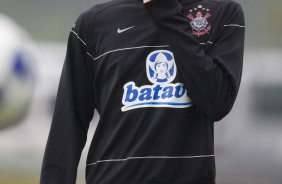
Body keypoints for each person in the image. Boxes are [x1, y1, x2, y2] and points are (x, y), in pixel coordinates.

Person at [40, 0, 245, 183]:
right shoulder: (93, 23)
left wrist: (163, 8)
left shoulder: (223, 14)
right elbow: (67, 127)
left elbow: (218, 103)